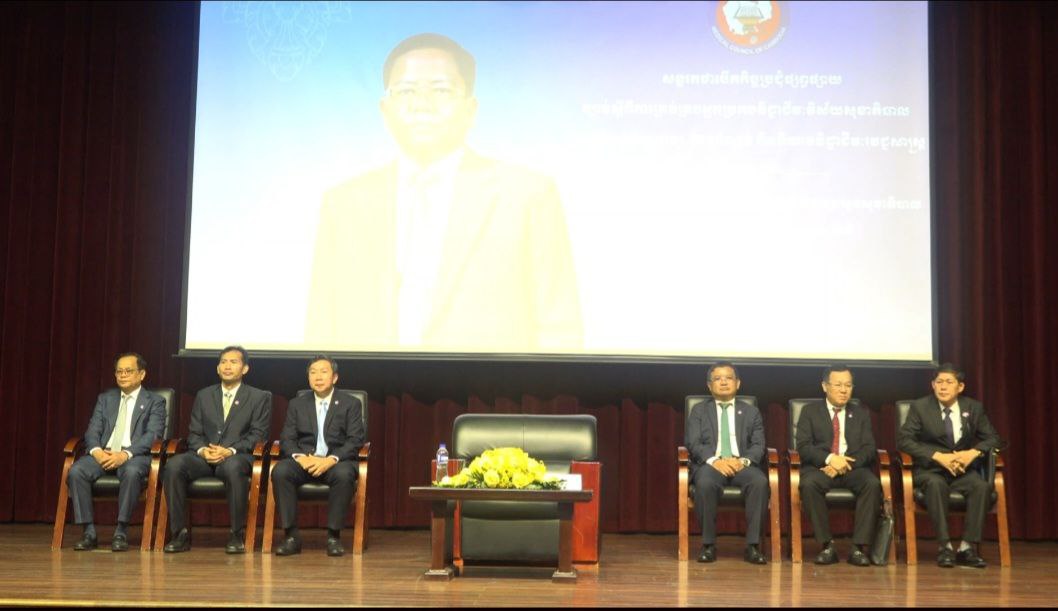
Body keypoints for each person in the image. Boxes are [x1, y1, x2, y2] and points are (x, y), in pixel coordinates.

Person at [305, 32, 582, 353]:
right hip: (371, 384)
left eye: (441, 90)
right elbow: (321, 326)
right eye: (406, 91)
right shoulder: (344, 203)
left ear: (471, 109)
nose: (422, 106)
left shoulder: (528, 195)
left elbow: (559, 326)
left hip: (489, 384)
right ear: (385, 109)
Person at [161, 346, 272, 553]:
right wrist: (203, 450)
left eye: (233, 362)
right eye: (223, 362)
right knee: (174, 465)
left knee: (233, 467)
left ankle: (236, 534)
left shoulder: (258, 397)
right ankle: (179, 534)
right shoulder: (204, 395)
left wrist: (229, 450)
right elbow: (194, 433)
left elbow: (258, 435)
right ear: (217, 368)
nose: (227, 366)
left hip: (237, 456)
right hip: (204, 457)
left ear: (245, 368)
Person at [898, 362, 1001, 568]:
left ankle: (966, 548)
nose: (943, 387)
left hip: (961, 470)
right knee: (936, 485)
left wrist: (972, 453)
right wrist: (937, 456)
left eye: (948, 382)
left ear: (960, 387)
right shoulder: (920, 407)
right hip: (931, 469)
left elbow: (994, 439)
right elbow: (904, 441)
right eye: (939, 382)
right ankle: (944, 547)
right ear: (933, 385)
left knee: (981, 487)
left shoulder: (973, 408)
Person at [67, 352, 167, 551]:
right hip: (104, 453)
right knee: (76, 471)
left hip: (134, 456)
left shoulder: (155, 401)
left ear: (142, 374)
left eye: (128, 371)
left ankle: (121, 531)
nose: (122, 375)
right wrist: (97, 452)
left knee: (131, 472)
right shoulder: (105, 399)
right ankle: (88, 532)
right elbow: (92, 430)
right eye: (119, 371)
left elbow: (153, 435)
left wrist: (125, 454)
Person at [271, 355, 365, 556]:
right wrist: (301, 458)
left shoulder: (350, 404)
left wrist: (330, 460)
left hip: (336, 462)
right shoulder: (297, 404)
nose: (318, 377)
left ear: (335, 377)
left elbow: (355, 440)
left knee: (344, 475)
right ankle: (291, 536)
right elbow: (287, 438)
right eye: (313, 373)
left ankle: (333, 537)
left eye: (323, 372)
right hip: (305, 460)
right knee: (281, 471)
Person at [795, 365, 881, 566]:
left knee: (872, 484)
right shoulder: (810, 411)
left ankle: (858, 548)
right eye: (838, 385)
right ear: (825, 386)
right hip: (821, 468)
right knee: (809, 485)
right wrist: (830, 459)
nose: (844, 390)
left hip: (852, 468)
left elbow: (869, 448)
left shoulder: (860, 413)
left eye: (848, 385)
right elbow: (804, 446)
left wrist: (843, 463)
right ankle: (827, 546)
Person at [685, 362, 769, 564]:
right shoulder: (699, 411)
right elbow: (693, 443)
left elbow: (759, 445)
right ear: (709, 385)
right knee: (704, 483)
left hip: (742, 465)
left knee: (759, 482)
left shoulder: (751, 412)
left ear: (738, 383)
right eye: (717, 379)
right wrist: (715, 461)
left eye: (728, 378)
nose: (723, 382)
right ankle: (708, 545)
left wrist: (743, 461)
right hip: (710, 465)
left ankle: (753, 546)